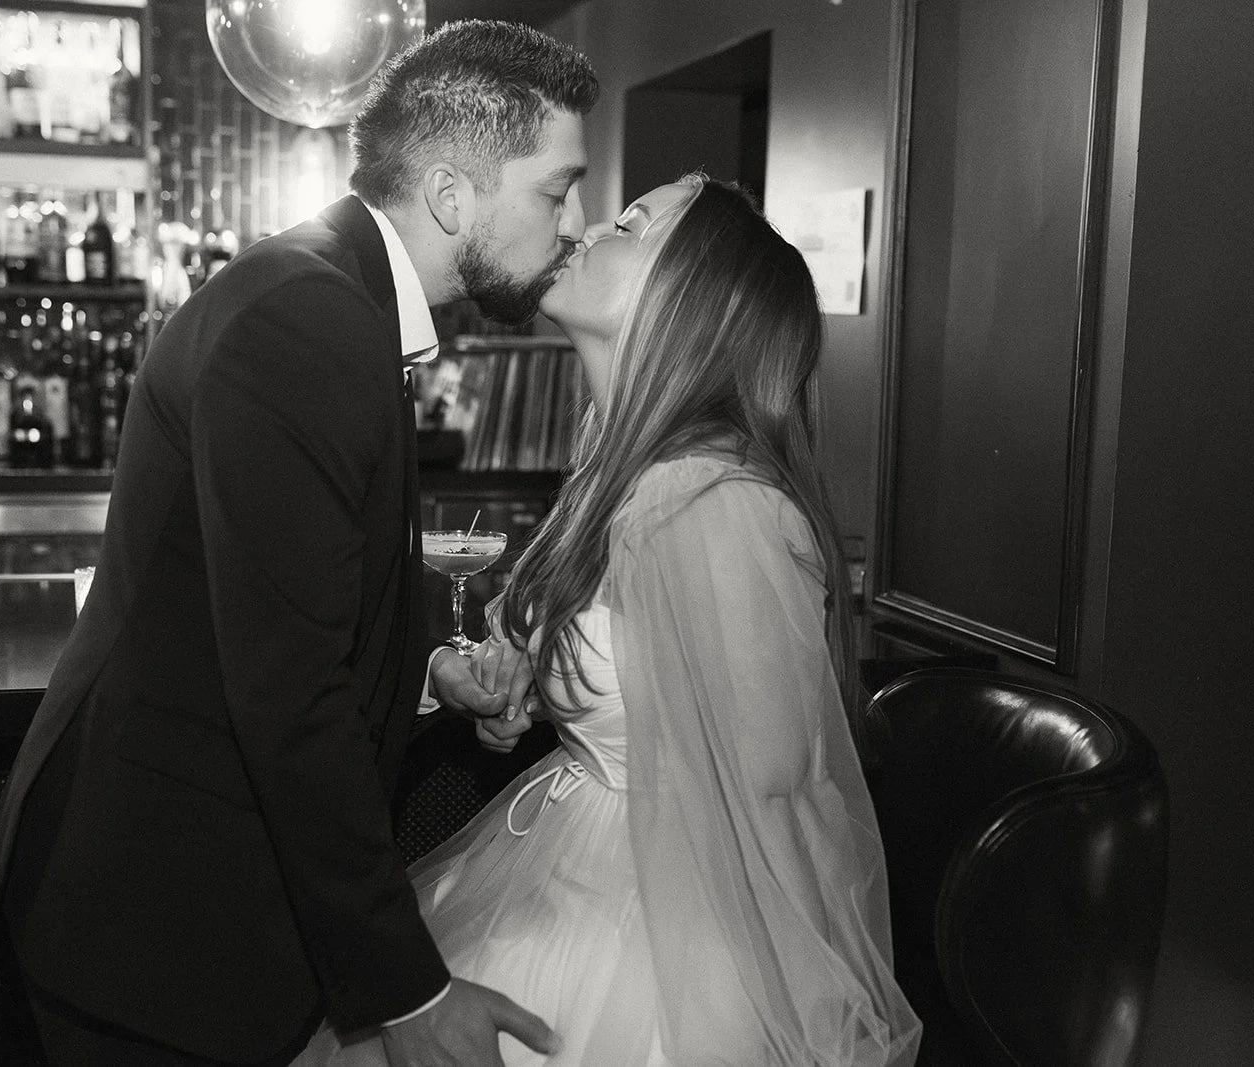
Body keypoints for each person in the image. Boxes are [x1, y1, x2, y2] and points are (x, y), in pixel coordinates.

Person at [0, 21, 597, 1066]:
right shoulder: (306, 319)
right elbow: (286, 688)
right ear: (453, 195)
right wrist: (408, 992)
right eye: (557, 188)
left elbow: (291, 601)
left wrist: (432, 667)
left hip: (183, 910)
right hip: (147, 923)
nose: (575, 222)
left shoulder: (327, 295)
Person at [294, 176, 923, 1065]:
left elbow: (770, 770)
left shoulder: (708, 496)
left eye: (631, 224)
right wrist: (512, 686)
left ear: (687, 301)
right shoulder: (615, 469)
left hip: (664, 929)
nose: (589, 227)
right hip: (564, 861)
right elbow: (641, 673)